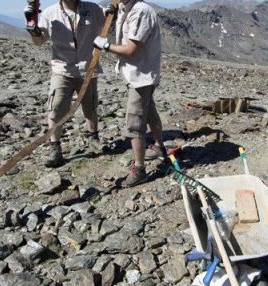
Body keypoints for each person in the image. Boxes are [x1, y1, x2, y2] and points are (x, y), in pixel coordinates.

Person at [24, 0, 108, 167]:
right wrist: (31, 25)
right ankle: (55, 149)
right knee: (56, 108)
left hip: (87, 67)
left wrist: (117, 9)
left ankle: (93, 138)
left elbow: (110, 22)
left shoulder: (93, 9)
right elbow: (39, 41)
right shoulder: (50, 13)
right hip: (62, 69)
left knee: (90, 106)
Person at [93, 0, 167, 187]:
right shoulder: (124, 8)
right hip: (137, 74)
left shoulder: (141, 12)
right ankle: (159, 147)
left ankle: (140, 169)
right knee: (149, 111)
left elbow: (131, 50)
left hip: (141, 76)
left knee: (134, 124)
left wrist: (106, 46)